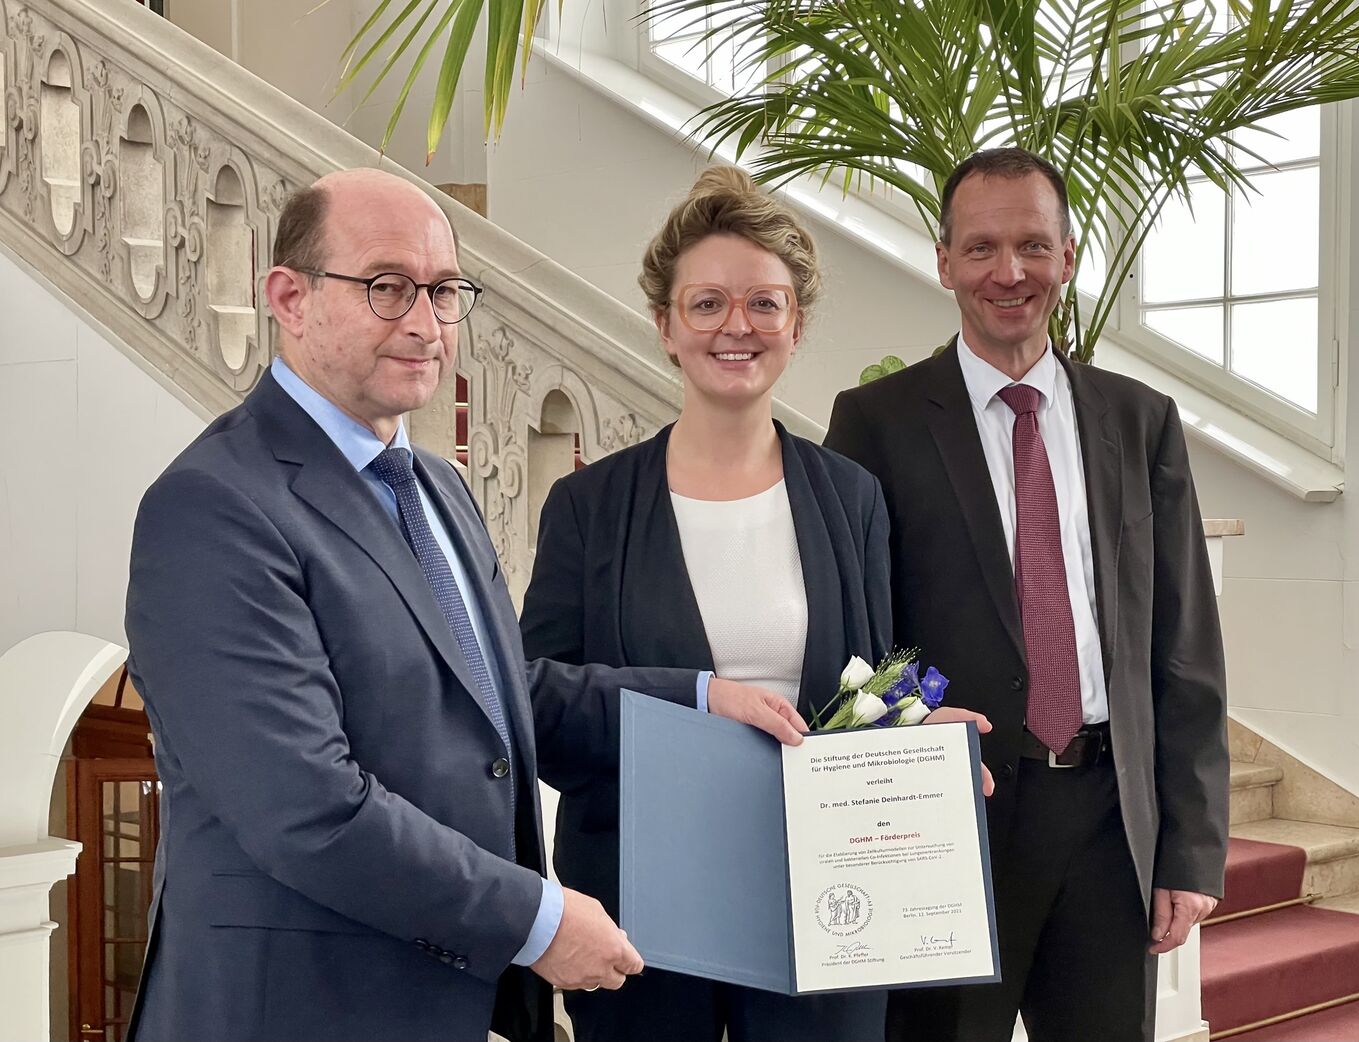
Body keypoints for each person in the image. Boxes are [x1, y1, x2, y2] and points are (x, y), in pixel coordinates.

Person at [121, 167, 805, 1042]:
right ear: (288, 297)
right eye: (385, 287)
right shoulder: (214, 506)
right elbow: (306, 807)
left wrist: (706, 700)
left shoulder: (433, 485)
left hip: (443, 998)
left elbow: (492, 696)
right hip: (297, 1005)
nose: (424, 323)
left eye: (444, 292)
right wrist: (538, 921)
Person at [520, 166, 990, 1042]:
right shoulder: (588, 509)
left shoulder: (851, 497)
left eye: (764, 304)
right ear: (664, 326)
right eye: (706, 304)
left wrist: (915, 733)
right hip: (641, 907)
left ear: (795, 325)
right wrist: (700, 695)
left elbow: (875, 679)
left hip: (828, 901)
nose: (737, 326)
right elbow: (537, 702)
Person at [824, 147, 1229, 1042]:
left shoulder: (1140, 418)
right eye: (980, 249)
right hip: (951, 816)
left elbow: (1183, 641)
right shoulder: (875, 422)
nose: (1008, 273)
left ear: (1068, 256)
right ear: (943, 263)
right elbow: (856, 632)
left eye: (1032, 247)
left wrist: (1190, 845)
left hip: (1107, 819)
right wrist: (895, 758)